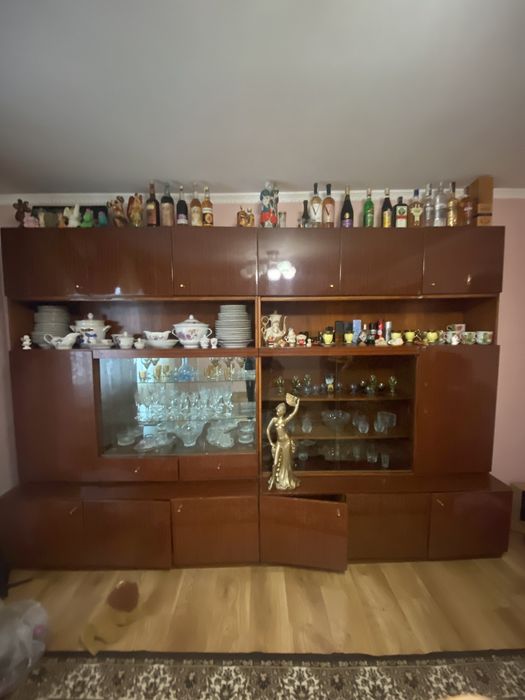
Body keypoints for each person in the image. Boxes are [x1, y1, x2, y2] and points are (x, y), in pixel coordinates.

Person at [267, 394, 301, 490]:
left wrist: (297, 404)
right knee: (275, 462)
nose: (277, 412)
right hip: (279, 442)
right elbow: (267, 430)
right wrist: (271, 442)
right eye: (277, 410)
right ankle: (273, 480)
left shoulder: (285, 420)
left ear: (283, 412)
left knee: (286, 462)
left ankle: (286, 479)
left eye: (279, 410)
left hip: (286, 443)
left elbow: (293, 413)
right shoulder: (274, 420)